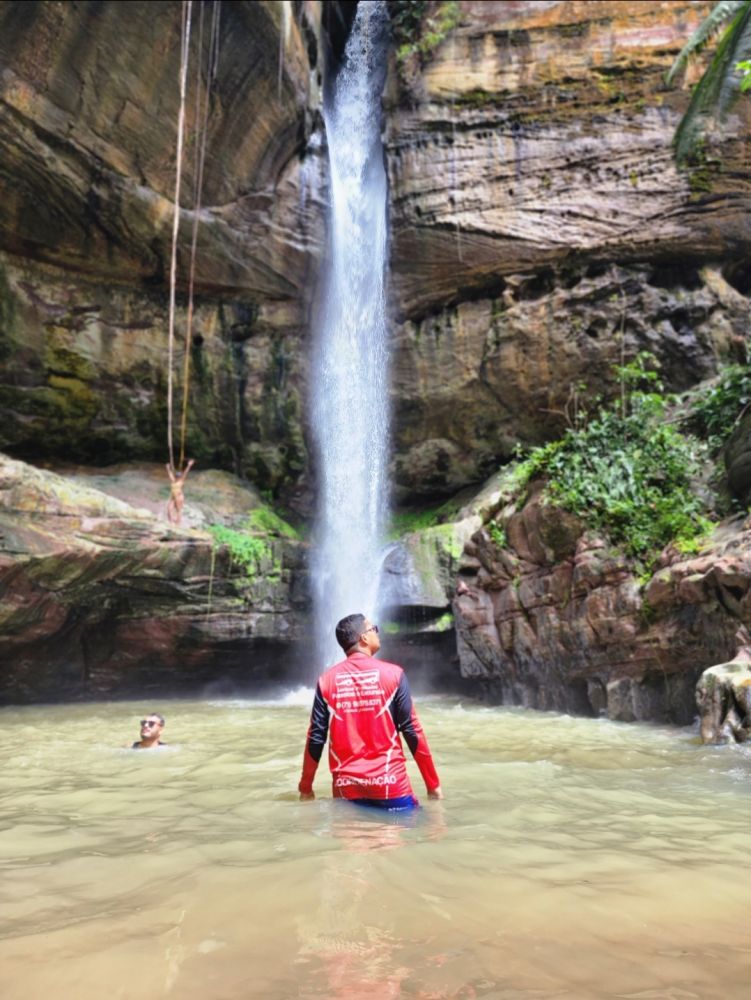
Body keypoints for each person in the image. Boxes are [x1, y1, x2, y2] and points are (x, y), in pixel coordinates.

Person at [298, 613, 443, 809]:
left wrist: (306, 787)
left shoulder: (326, 680)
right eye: (373, 629)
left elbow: (316, 737)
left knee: (354, 837)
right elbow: (411, 730)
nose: (377, 632)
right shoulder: (394, 674)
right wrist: (432, 785)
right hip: (390, 785)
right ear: (364, 638)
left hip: (346, 789)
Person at [165, 458, 195, 525]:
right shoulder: (173, 480)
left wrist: (189, 465)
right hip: (173, 497)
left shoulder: (181, 481)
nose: (177, 477)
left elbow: (185, 473)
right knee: (169, 509)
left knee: (178, 510)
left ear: (180, 476)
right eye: (176, 476)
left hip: (179, 496)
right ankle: (171, 522)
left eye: (178, 476)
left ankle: (178, 523)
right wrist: (168, 468)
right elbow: (170, 474)